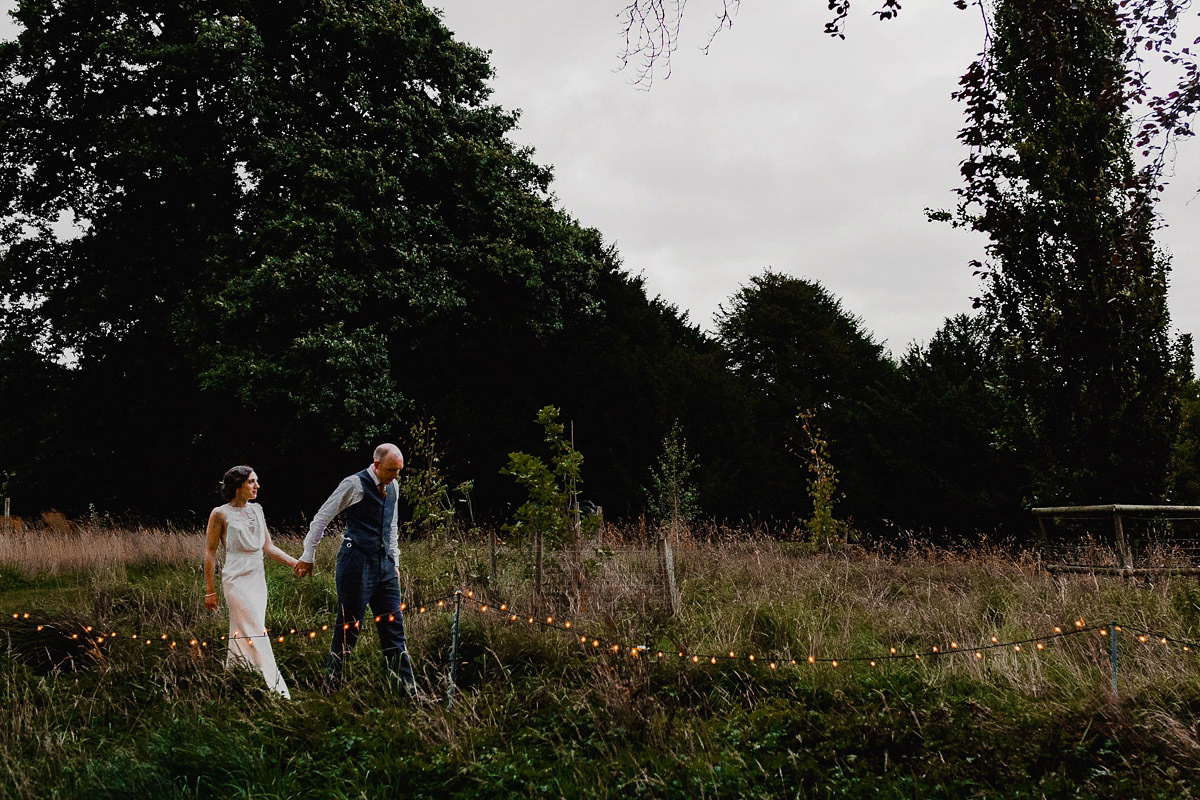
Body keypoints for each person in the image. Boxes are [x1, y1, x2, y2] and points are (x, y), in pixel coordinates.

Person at [294, 443, 419, 696]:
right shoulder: (353, 484)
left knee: (394, 630)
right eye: (391, 470)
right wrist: (308, 555)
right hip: (356, 563)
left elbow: (392, 526)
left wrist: (394, 561)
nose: (395, 475)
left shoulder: (394, 485)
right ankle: (330, 693)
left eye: (399, 471)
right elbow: (321, 518)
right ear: (376, 465)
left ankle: (409, 693)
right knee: (348, 630)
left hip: (385, 567)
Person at [203, 466, 298, 698]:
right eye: (251, 482)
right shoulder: (220, 513)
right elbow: (210, 553)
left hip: (257, 578)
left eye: (256, 482)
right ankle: (275, 687)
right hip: (235, 579)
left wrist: (295, 563)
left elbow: (268, 546)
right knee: (254, 628)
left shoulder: (258, 510)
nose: (257, 486)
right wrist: (210, 591)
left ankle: (237, 679)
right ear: (237, 487)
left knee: (245, 631)